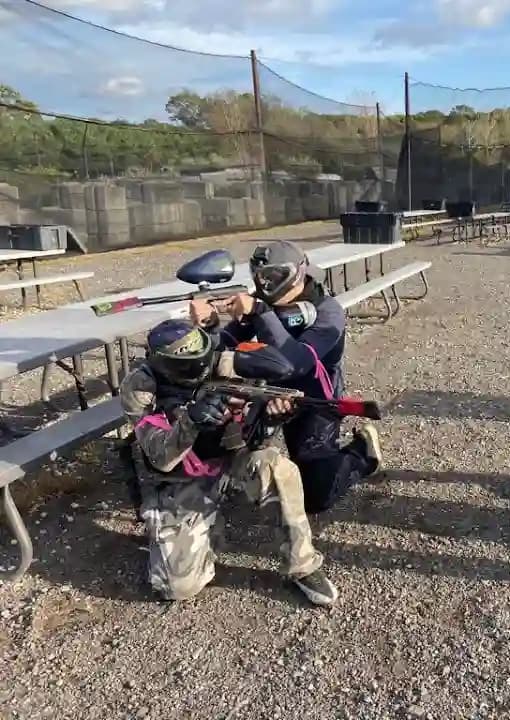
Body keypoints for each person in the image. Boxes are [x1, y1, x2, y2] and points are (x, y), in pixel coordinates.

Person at [120, 318, 339, 606]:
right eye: (189, 365)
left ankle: (302, 565)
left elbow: (257, 442)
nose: (202, 367)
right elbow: (161, 458)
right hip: (183, 478)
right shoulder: (140, 387)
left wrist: (270, 421)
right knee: (177, 587)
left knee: (278, 468)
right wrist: (192, 420)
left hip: (233, 458)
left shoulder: (227, 365)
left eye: (204, 357)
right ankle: (202, 534)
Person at [189, 240, 382, 514]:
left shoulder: (328, 312)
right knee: (208, 431)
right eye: (259, 277)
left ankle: (362, 453)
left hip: (313, 399)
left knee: (317, 496)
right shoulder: (263, 302)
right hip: (268, 394)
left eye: (273, 277)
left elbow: (296, 363)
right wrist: (209, 326)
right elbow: (225, 345)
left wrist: (260, 313)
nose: (265, 286)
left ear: (298, 274)